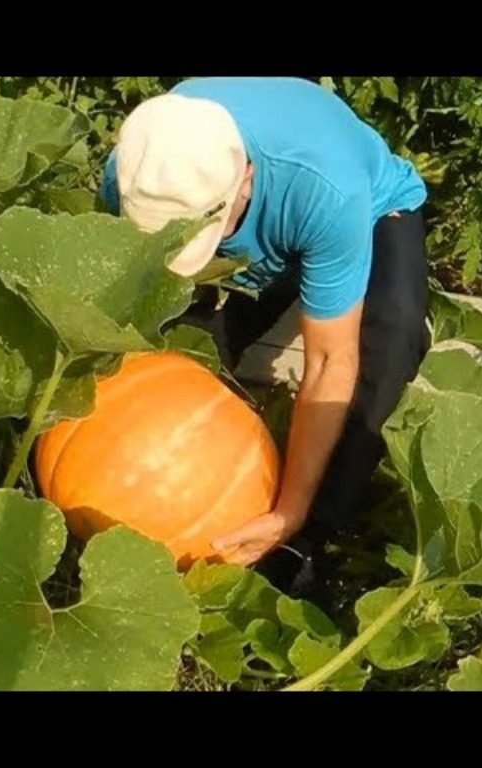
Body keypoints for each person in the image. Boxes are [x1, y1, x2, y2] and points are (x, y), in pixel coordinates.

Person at [97, 77, 430, 570]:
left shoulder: (327, 190)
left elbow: (329, 361)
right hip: (267, 233)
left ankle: (306, 543)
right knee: (185, 352)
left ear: (246, 179)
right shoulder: (140, 168)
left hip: (371, 210)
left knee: (391, 339)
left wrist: (290, 511)